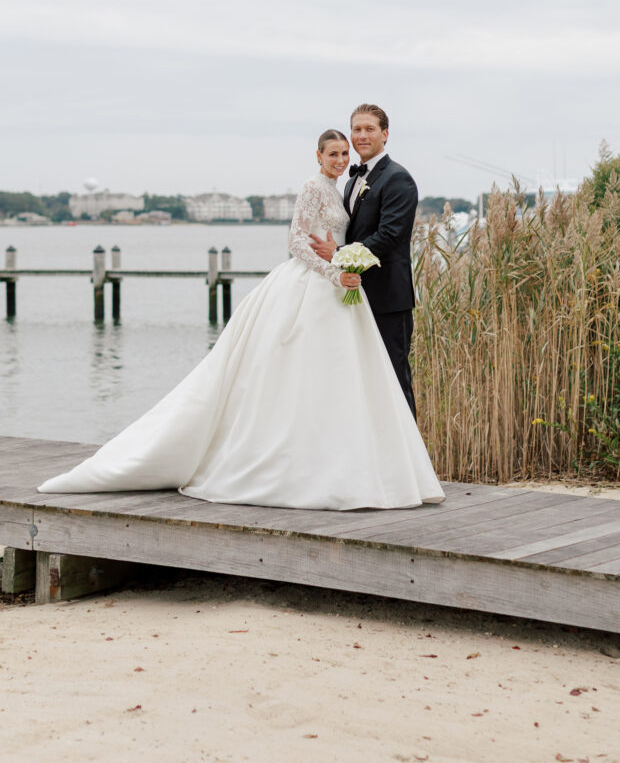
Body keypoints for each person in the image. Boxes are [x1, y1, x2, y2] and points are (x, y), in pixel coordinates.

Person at [38, 129, 444, 511]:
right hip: (313, 286)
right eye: (333, 153)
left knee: (337, 380)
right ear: (318, 156)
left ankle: (343, 463)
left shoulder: (347, 186)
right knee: (292, 376)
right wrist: (335, 270)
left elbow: (353, 236)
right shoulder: (311, 187)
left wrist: (340, 259)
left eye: (344, 153)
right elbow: (295, 243)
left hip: (339, 289)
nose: (341, 159)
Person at [309, 104, 419, 416]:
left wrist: (339, 256)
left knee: (394, 380)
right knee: (362, 381)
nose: (362, 135)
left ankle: (409, 463)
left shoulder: (398, 179)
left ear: (385, 134)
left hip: (388, 298)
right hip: (354, 296)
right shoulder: (350, 181)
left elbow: (389, 235)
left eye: (369, 129)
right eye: (356, 129)